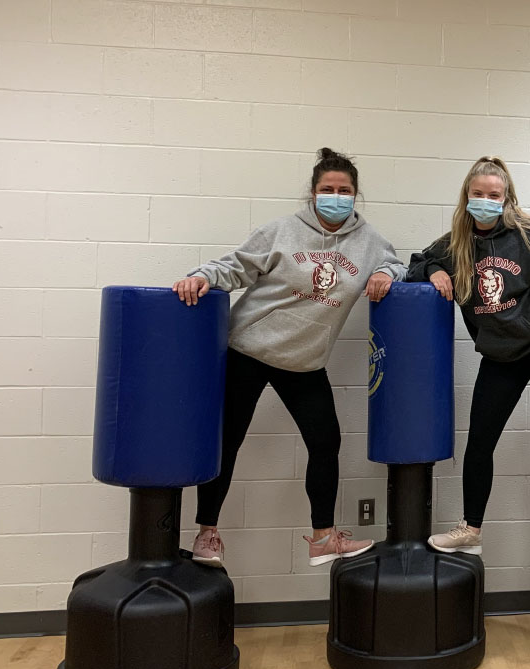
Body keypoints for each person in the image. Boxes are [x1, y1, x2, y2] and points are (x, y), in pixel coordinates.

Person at [173, 148, 406, 567]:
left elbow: (397, 264)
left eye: (344, 190)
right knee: (228, 443)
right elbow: (235, 267)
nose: (335, 196)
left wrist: (385, 274)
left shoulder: (370, 242)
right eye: (326, 189)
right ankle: (206, 532)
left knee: (326, 442)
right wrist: (202, 276)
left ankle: (322, 537)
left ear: (356, 195)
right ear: (312, 193)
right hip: (249, 349)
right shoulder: (281, 231)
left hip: (304, 362)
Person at [406, 156, 530, 561]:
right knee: (480, 441)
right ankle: (471, 529)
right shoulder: (455, 244)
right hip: (501, 355)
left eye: (493, 195)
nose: (485, 200)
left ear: (507, 198)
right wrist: (433, 271)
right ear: (466, 197)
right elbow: (414, 262)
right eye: (477, 194)